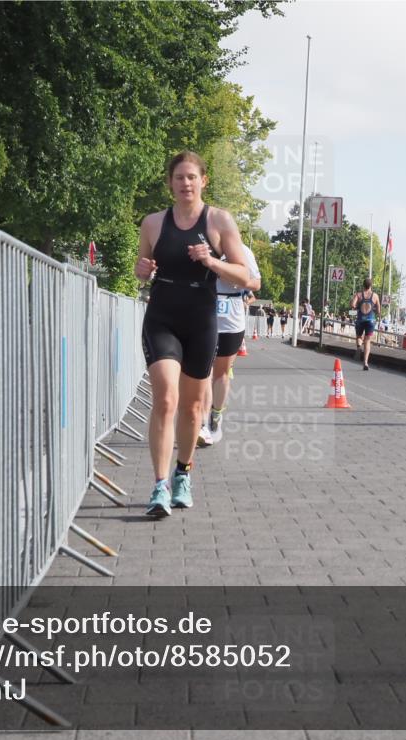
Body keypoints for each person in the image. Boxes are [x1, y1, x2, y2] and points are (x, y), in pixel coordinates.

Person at [135, 151, 250, 517]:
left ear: (203, 181)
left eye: (191, 177)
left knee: (192, 408)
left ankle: (182, 473)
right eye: (179, 177)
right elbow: (142, 270)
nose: (185, 183)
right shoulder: (153, 223)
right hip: (162, 318)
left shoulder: (219, 220)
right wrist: (142, 270)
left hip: (201, 320)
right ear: (170, 182)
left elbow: (245, 276)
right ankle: (160, 485)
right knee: (166, 399)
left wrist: (211, 260)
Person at [197, 243, 261, 447]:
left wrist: (234, 277)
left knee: (221, 374)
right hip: (203, 313)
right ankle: (201, 424)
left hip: (231, 319)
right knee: (204, 371)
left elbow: (256, 284)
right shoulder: (201, 245)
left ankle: (216, 414)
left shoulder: (242, 251)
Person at [352, 278, 380, 370]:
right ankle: (365, 362)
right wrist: (373, 309)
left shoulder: (359, 294)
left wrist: (357, 306)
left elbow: (352, 305)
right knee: (367, 341)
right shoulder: (375, 296)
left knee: (359, 336)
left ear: (363, 285)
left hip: (360, 319)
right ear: (371, 285)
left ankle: (359, 346)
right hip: (370, 320)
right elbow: (378, 311)